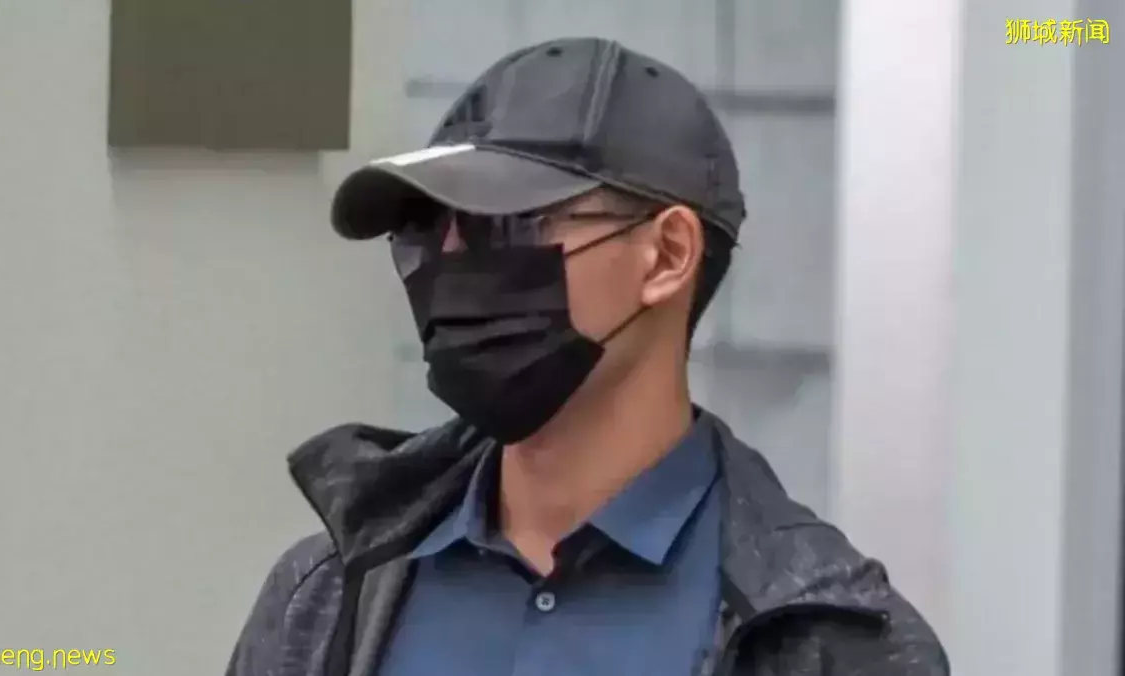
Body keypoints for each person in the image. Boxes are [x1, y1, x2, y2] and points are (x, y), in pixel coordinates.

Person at [225, 37, 949, 676]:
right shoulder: (324, 600)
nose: (451, 265)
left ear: (667, 255)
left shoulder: (832, 642)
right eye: (425, 231)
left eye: (506, 225)